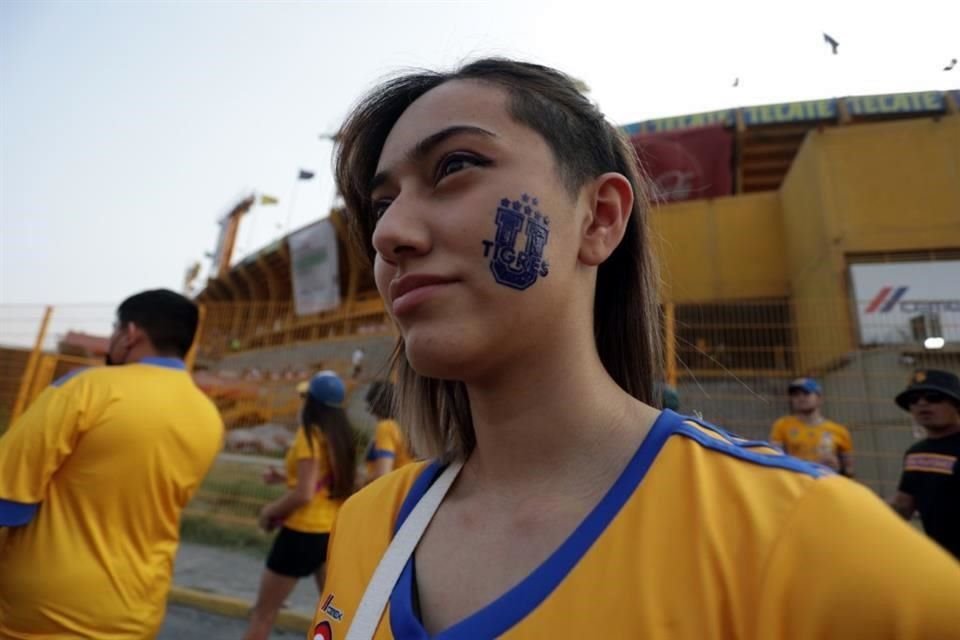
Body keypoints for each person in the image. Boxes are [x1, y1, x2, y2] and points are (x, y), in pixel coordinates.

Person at [310, 58, 960, 639]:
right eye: (382, 204)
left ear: (597, 219)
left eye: (455, 166)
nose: (390, 233)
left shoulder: (805, 543)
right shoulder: (368, 523)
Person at [0, 289, 223, 639]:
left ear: (131, 333)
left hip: (43, 611)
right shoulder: (208, 416)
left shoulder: (87, 387)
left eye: (114, 330)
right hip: (137, 612)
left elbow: (7, 499)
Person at [244, 370, 356, 640]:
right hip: (329, 533)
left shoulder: (309, 436)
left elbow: (305, 494)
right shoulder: (340, 437)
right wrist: (284, 477)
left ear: (312, 403)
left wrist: (269, 511)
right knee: (333, 616)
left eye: (305, 396)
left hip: (300, 533)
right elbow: (328, 481)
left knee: (263, 613)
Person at [890, 369, 960, 560]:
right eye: (914, 400)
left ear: (956, 404)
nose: (922, 403)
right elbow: (903, 505)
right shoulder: (915, 453)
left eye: (933, 397)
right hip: (942, 560)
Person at [769, 377, 854, 476]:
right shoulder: (782, 425)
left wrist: (837, 467)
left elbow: (849, 470)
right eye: (795, 395)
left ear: (819, 398)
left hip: (827, 483)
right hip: (797, 482)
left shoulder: (839, 431)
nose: (801, 398)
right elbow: (774, 460)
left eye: (806, 393)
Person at [363, 380, 414, 484]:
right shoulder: (406, 427)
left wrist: (362, 481)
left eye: (370, 406)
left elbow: (383, 473)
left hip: (392, 490)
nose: (370, 412)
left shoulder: (385, 427)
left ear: (376, 406)